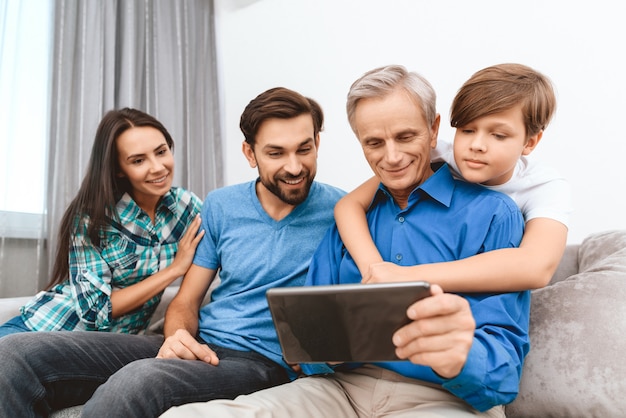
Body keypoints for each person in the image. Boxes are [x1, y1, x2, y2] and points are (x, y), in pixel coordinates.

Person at [162, 65, 528, 417]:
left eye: (405, 136)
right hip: (337, 392)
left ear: (433, 130)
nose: (393, 157)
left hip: (444, 399)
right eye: (374, 142)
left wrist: (460, 357)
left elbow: (503, 375)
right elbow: (308, 348)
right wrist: (321, 351)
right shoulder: (346, 219)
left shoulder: (493, 215)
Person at [0, 87, 345, 417]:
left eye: (304, 148)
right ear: (249, 153)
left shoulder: (344, 212)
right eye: (276, 152)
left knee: (135, 384)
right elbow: (185, 301)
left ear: (317, 142)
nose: (295, 166)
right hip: (201, 341)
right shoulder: (220, 205)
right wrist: (178, 336)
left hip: (260, 360)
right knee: (13, 355)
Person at [334, 63, 572, 292]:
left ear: (530, 142)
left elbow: (536, 268)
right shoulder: (440, 155)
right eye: (467, 130)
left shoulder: (544, 187)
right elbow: (349, 205)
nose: (476, 145)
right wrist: (376, 270)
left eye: (498, 135)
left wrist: (405, 277)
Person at [0, 108, 203, 338]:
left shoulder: (186, 207)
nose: (157, 167)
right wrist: (174, 269)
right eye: (138, 160)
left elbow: (227, 243)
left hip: (111, 347)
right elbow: (94, 311)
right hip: (43, 331)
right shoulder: (92, 217)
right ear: (118, 170)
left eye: (161, 152)